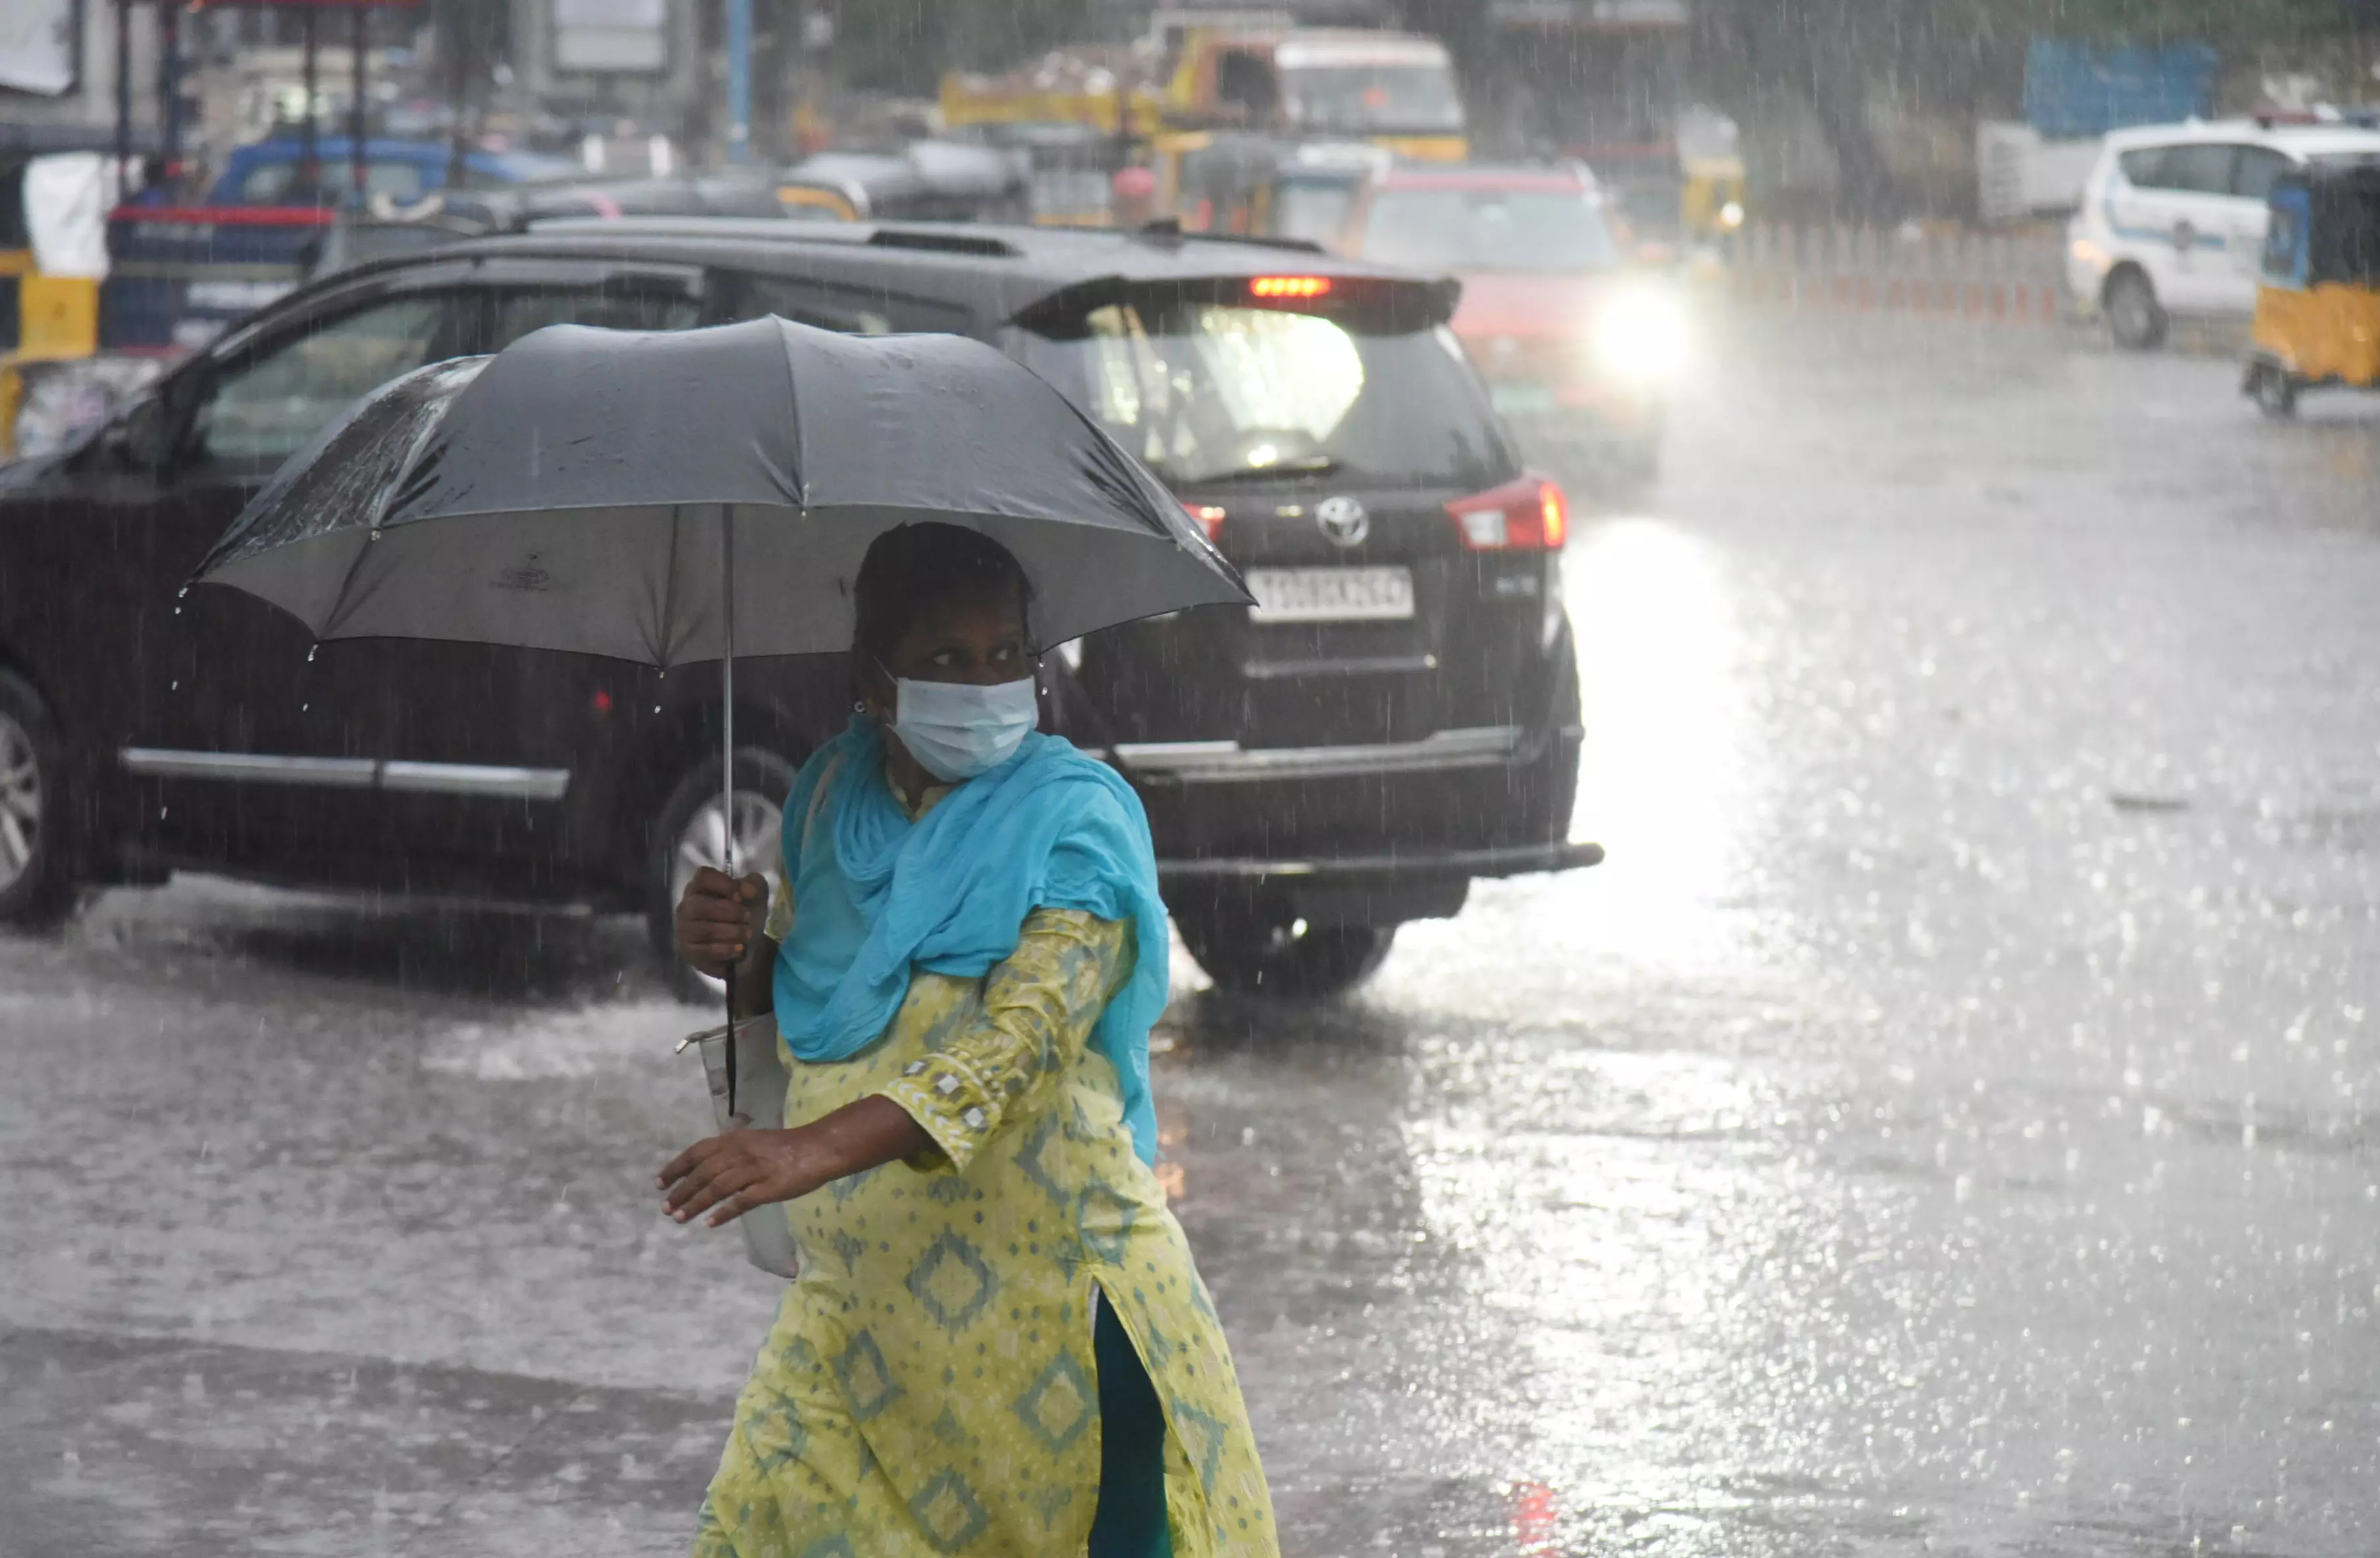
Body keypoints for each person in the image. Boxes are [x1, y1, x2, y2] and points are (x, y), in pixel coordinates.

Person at [662, 522, 1278, 1558]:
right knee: (755, 1525)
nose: (985, 684)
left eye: (1006, 657)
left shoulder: (1073, 821)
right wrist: (735, 943)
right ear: (875, 677)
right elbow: (821, 1002)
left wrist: (808, 1149)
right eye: (948, 659)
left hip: (1057, 1324)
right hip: (859, 1331)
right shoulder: (826, 799)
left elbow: (1014, 1051)